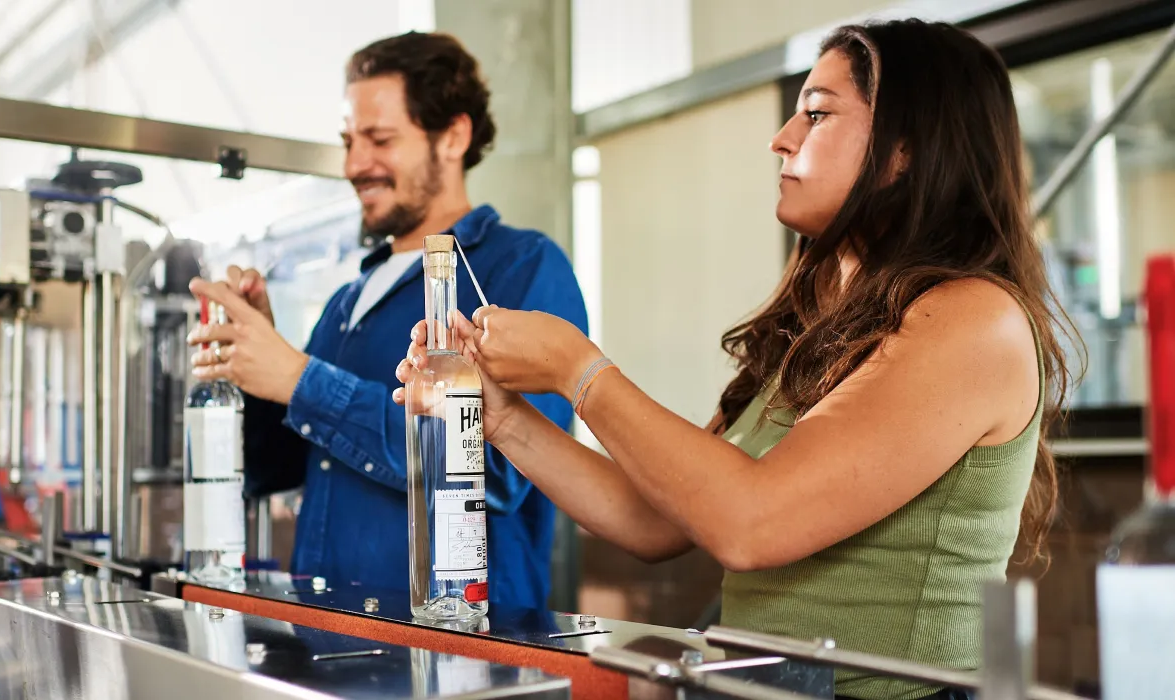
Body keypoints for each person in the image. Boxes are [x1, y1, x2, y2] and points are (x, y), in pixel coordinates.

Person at [397, 19, 1073, 700]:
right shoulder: (817, 330)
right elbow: (657, 519)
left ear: (905, 150)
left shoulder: (974, 320)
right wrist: (504, 417)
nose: (781, 138)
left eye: (816, 114)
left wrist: (579, 370)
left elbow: (753, 524)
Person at [186, 32, 588, 611]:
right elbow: (277, 471)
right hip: (329, 648)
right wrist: (255, 369)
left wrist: (300, 378)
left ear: (453, 135)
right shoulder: (347, 300)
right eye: (350, 141)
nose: (354, 164)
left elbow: (499, 473)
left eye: (380, 139)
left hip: (462, 651)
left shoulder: (523, 268)